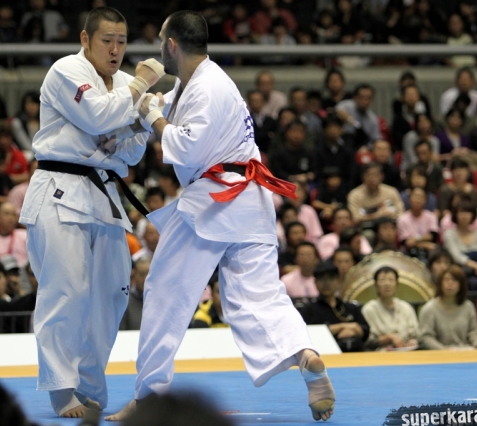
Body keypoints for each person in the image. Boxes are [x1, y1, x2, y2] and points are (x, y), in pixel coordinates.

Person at [107, 11, 334, 422]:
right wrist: (146, 104)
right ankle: (305, 355)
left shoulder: (208, 87)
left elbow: (186, 146)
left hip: (216, 202)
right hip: (250, 204)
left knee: (165, 292)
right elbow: (163, 108)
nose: (159, 49)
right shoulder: (196, 83)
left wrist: (153, 117)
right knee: (258, 296)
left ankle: (149, 398)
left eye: (160, 42)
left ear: (171, 45)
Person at [18, 6, 164, 419]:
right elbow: (99, 115)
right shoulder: (67, 70)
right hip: (59, 188)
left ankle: (90, 387)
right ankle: (60, 388)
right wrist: (139, 88)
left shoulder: (124, 84)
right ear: (86, 39)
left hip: (104, 193)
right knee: (66, 292)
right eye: (107, 41)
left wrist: (136, 125)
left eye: (122, 42)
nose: (115, 49)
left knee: (111, 296)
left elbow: (130, 153)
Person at [301, 261, 369, 352]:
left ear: (338, 281)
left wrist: (354, 330)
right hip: (324, 355)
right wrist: (343, 326)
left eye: (330, 278)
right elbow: (310, 334)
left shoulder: (351, 308)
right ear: (315, 282)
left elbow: (365, 330)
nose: (326, 283)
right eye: (322, 279)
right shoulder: (308, 310)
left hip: (355, 354)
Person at [419, 265, 477, 350]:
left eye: (455, 280)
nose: (450, 283)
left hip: (465, 351)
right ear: (440, 283)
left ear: (461, 284)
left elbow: (473, 332)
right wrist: (444, 351)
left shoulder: (468, 306)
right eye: (446, 279)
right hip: (440, 353)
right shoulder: (429, 309)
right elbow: (426, 337)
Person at [361, 266, 420, 350]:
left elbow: (416, 336)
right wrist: (388, 338)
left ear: (397, 284)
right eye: (382, 280)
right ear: (375, 285)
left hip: (405, 353)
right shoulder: (369, 309)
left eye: (391, 280)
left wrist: (412, 342)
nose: (387, 284)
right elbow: (366, 342)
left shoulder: (406, 307)